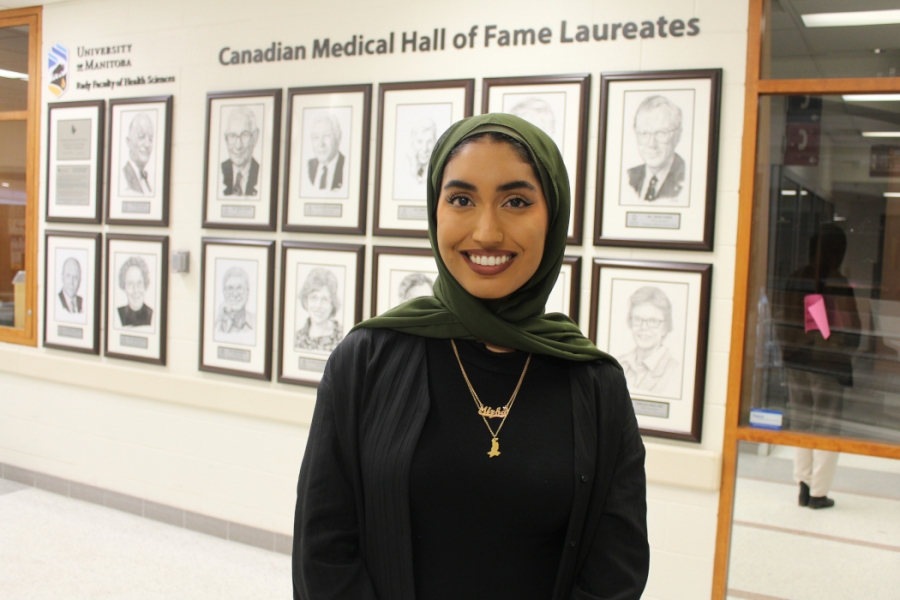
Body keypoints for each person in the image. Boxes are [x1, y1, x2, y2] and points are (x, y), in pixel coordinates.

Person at [293, 114, 649, 599]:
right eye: (461, 200)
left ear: (555, 216)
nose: (486, 232)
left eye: (516, 202)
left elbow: (616, 570)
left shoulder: (595, 383)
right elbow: (324, 549)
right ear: (435, 212)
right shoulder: (367, 360)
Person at [775, 224, 860, 510]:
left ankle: (802, 484)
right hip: (827, 363)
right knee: (826, 425)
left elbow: (782, 318)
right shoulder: (837, 282)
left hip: (796, 359)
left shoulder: (795, 278)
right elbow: (852, 329)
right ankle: (819, 492)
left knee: (801, 420)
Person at [617, 286, 681, 398]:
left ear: (665, 326)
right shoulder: (618, 363)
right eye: (637, 320)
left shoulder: (675, 371)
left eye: (652, 321)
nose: (644, 327)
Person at [627, 95, 685, 201]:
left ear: (677, 136)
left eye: (661, 133)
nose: (652, 144)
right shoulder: (629, 178)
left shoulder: (687, 179)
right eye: (644, 133)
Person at [295, 267, 343, 353]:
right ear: (306, 301)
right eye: (314, 298)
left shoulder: (343, 337)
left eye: (324, 299)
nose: (318, 306)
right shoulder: (297, 338)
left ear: (332, 303)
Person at [221, 106, 260, 197]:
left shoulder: (260, 172)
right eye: (232, 136)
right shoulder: (220, 171)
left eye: (244, 135)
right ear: (226, 139)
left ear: (254, 137)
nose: (238, 146)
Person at [305, 113, 346, 193]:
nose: (321, 144)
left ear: (338, 137)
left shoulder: (346, 166)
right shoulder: (309, 166)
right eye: (316, 137)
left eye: (327, 136)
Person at [215, 266, 255, 341]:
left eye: (239, 288)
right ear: (224, 292)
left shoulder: (257, 322)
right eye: (230, 288)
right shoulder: (217, 326)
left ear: (247, 292)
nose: (235, 294)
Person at [121, 113, 154, 196]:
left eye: (150, 139)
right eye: (141, 136)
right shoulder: (123, 178)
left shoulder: (146, 180)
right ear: (129, 142)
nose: (147, 144)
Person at [117, 256, 153, 327]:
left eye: (139, 283)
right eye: (130, 284)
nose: (135, 290)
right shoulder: (118, 314)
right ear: (124, 287)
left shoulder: (152, 314)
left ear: (145, 284)